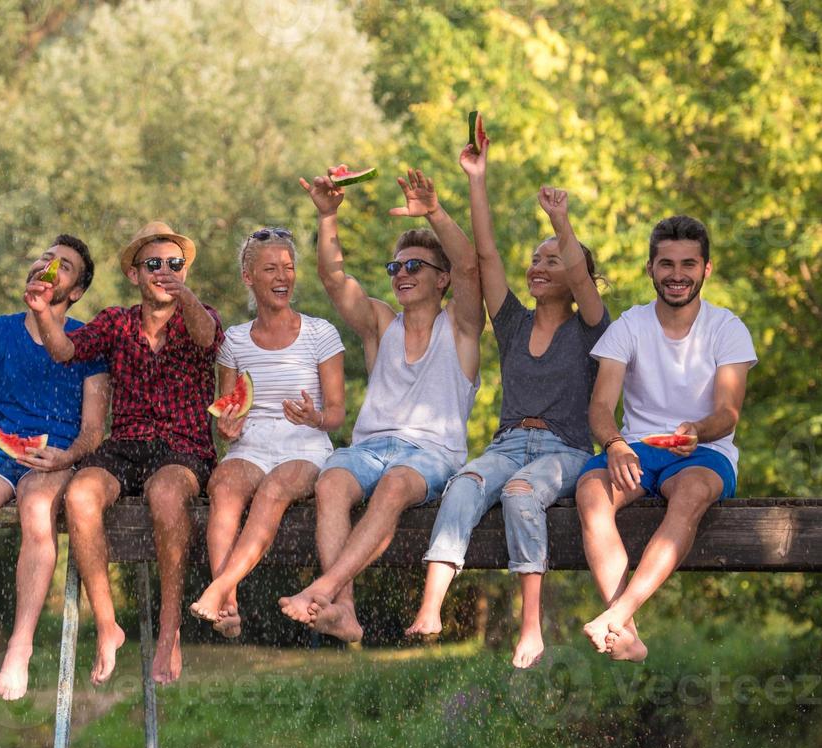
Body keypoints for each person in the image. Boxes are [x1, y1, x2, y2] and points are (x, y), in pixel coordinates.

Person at [405, 122, 610, 668]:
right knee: (466, 483)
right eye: (538, 259)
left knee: (520, 493)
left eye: (554, 260)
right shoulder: (514, 323)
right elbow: (487, 257)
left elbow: (584, 282)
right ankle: (431, 607)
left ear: (579, 275)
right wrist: (477, 179)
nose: (541, 266)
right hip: (506, 445)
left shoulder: (591, 326)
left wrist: (559, 223)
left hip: (564, 453)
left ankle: (531, 628)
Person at [279, 169, 482, 642]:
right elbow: (333, 278)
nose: (402, 274)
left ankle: (324, 589)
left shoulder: (462, 329)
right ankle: (343, 611)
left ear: (442, 279)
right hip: (369, 449)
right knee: (330, 482)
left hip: (431, 455)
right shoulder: (380, 324)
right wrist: (327, 216)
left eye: (414, 267)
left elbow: (473, 268)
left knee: (393, 486)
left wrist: (433, 211)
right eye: (396, 268)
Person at [38, 222, 223, 686]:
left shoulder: (198, 315)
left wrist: (187, 296)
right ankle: (107, 625)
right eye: (153, 265)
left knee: (165, 495)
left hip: (183, 446)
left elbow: (207, 338)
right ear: (134, 275)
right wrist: (43, 312)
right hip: (127, 445)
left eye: (174, 264)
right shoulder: (116, 321)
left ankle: (169, 630)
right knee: (79, 495)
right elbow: (64, 351)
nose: (164, 272)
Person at [576, 216, 756, 661]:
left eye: (689, 264)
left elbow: (728, 414)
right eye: (667, 264)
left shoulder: (727, 328)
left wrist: (697, 430)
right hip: (638, 447)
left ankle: (618, 614)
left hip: (704, 451)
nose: (678, 275)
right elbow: (600, 407)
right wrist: (615, 444)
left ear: (706, 270)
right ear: (650, 269)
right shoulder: (630, 326)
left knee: (692, 492)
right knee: (590, 493)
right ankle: (628, 635)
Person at [0, 236, 110, 701]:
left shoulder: (88, 344)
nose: (48, 266)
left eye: (64, 266)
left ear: (73, 291)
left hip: (56, 456)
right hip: (0, 451)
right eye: (44, 258)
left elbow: (94, 430)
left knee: (37, 513)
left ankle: (20, 647)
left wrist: (68, 457)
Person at [188, 227, 346, 635]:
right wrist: (226, 428)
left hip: (306, 445)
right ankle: (230, 611)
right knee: (222, 485)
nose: (282, 277)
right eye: (271, 268)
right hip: (252, 444)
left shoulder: (320, 333)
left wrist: (316, 418)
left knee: (275, 489)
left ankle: (219, 588)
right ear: (249, 277)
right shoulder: (234, 341)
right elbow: (227, 414)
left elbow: (337, 414)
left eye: (289, 268)